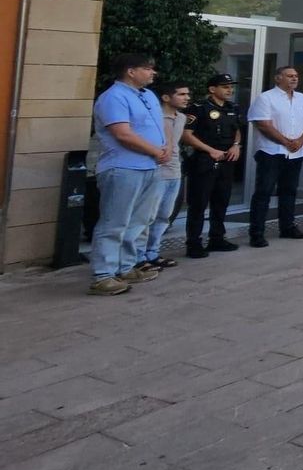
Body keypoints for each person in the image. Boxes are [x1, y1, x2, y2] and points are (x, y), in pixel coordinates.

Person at [88, 54, 169, 295]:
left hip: (151, 167)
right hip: (123, 168)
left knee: (139, 221)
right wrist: (156, 150)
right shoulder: (114, 97)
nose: (153, 73)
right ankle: (103, 275)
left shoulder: (147, 96)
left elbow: (159, 127)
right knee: (115, 222)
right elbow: (122, 134)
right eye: (148, 68)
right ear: (130, 71)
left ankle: (126, 267)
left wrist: (165, 149)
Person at [246, 66, 303, 247]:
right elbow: (263, 124)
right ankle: (257, 233)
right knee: (264, 192)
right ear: (278, 78)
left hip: (296, 153)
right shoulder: (266, 98)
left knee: (290, 191)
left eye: (296, 76)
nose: (294, 79)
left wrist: (300, 141)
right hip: (272, 152)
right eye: (289, 76)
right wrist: (286, 141)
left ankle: (287, 227)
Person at [181, 73, 242, 258]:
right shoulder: (198, 108)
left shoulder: (233, 107)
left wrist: (236, 145)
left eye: (231, 86)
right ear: (212, 89)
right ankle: (194, 242)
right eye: (225, 86)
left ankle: (216, 238)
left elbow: (237, 130)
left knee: (221, 201)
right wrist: (209, 150)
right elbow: (186, 135)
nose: (229, 90)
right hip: (204, 160)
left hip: (226, 160)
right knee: (198, 203)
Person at [135, 82, 190, 273]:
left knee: (164, 216)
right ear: (166, 97)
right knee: (146, 216)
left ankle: (153, 253)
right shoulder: (155, 116)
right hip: (157, 171)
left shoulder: (181, 117)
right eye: (181, 94)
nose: (186, 97)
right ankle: (138, 257)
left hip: (174, 171)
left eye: (187, 94)